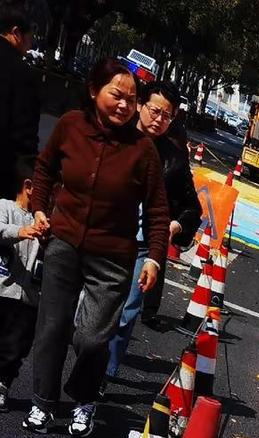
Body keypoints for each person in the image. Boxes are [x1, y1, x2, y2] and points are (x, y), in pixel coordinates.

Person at [25, 57, 168, 437]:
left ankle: (84, 397)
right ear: (93, 91)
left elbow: (156, 209)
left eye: (131, 99)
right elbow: (44, 169)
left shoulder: (143, 151)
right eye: (116, 95)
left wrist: (154, 257)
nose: (124, 105)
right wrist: (39, 209)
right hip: (64, 243)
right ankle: (43, 402)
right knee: (51, 328)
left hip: (113, 257)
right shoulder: (70, 125)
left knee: (92, 338)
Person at [105, 79, 200, 378]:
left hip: (142, 245)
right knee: (86, 311)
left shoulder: (173, 157)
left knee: (125, 314)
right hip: (101, 234)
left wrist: (173, 225)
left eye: (167, 115)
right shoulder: (113, 133)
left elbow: (192, 209)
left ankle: (103, 376)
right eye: (154, 111)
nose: (159, 119)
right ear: (141, 105)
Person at [0, 151, 38, 405]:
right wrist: (21, 231)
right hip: (2, 289)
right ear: (29, 186)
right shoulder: (5, 207)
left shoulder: (45, 220)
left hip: (28, 297)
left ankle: (3, 383)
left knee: (17, 345)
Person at [0, 3, 39, 196]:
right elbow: (24, 138)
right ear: (16, 33)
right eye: (29, 38)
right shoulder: (22, 75)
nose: (29, 45)